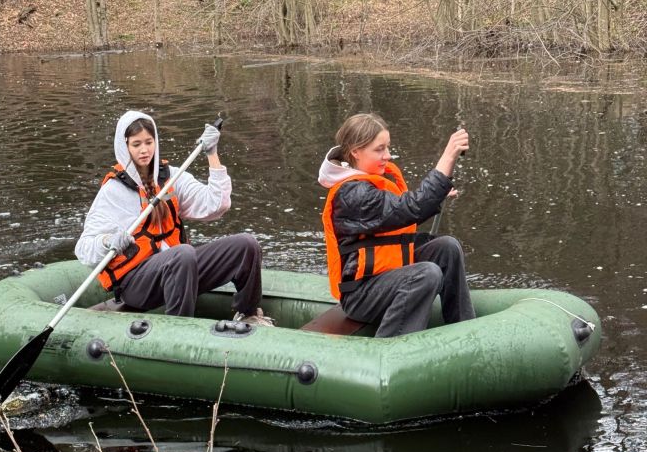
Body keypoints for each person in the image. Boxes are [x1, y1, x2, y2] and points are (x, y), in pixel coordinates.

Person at [75, 109, 273, 326]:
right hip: (138, 284)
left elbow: (217, 205)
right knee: (183, 254)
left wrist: (212, 154)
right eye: (136, 144)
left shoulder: (171, 178)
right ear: (125, 147)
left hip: (180, 271)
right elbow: (83, 248)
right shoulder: (113, 191)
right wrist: (107, 242)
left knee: (246, 245)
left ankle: (248, 313)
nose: (144, 150)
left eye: (149, 142)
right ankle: (180, 329)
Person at [318, 112, 474, 337]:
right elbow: (411, 208)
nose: (387, 155)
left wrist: (437, 194)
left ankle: (464, 330)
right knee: (426, 273)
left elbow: (401, 210)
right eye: (379, 149)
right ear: (355, 151)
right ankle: (390, 348)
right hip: (362, 295)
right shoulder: (352, 193)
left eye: (387, 147)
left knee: (447, 248)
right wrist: (448, 157)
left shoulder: (370, 182)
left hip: (388, 274)